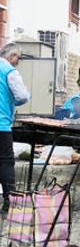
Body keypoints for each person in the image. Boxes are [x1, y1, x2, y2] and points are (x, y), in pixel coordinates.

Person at [0, 43, 29, 210]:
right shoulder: (10, 71)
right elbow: (22, 96)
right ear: (11, 56)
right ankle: (9, 200)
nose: (19, 61)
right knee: (5, 161)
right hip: (2, 125)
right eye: (18, 57)